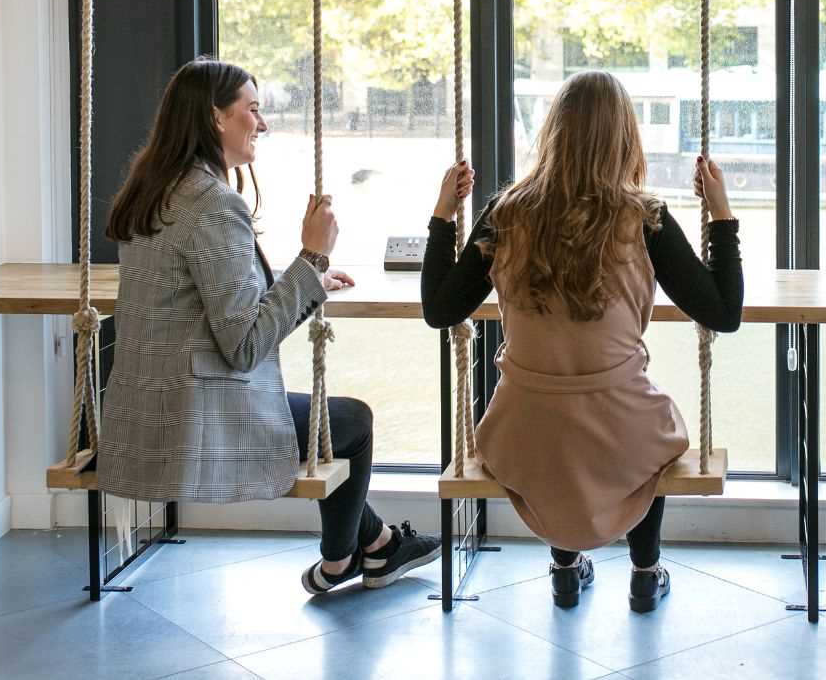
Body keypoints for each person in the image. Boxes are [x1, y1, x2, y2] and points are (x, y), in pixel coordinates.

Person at [97, 57, 440, 595]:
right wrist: (312, 258)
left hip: (143, 415)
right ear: (216, 119)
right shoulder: (213, 203)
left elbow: (209, 292)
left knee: (337, 420)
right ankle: (342, 557)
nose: (262, 123)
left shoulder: (156, 191)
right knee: (352, 422)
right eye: (252, 110)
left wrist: (304, 280)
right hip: (199, 423)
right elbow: (245, 345)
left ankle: (372, 548)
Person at [421, 70, 743, 612]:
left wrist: (442, 215)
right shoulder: (645, 219)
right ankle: (645, 571)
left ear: (553, 132)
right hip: (622, 432)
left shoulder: (505, 214)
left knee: (561, 437)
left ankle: (564, 568)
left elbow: (439, 310)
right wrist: (722, 213)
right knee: (650, 436)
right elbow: (724, 312)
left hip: (522, 436)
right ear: (625, 138)